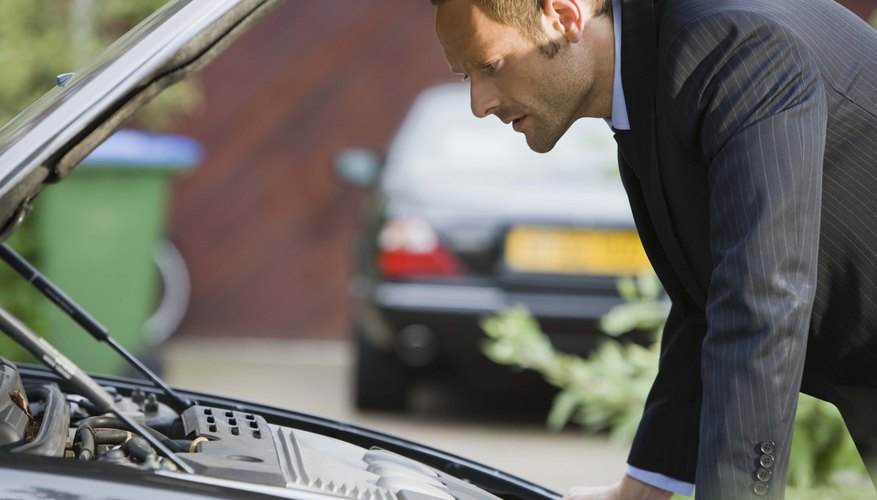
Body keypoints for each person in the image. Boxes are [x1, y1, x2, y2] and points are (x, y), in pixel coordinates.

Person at [431, 0, 877, 498]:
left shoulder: (731, 44)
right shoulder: (654, 65)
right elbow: (712, 296)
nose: (478, 103)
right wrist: (641, 490)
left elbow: (763, 301)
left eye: (490, 66)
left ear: (563, 15)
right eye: (465, 75)